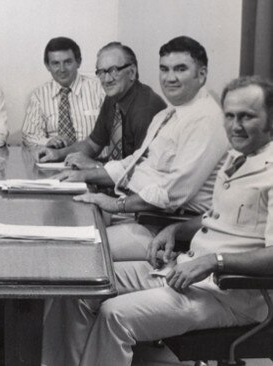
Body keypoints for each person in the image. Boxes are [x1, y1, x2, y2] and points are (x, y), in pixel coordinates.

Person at [55, 75, 273, 366]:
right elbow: (216, 219)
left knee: (115, 315)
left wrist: (214, 261)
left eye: (247, 116)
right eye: (230, 115)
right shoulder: (237, 158)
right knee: (75, 285)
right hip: (185, 271)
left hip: (230, 295)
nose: (235, 125)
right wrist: (175, 228)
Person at [52, 36, 230, 261]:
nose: (170, 78)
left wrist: (115, 205)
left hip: (163, 226)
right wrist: (83, 175)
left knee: (73, 255)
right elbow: (133, 162)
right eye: (164, 69)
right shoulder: (169, 114)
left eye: (180, 69)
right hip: (137, 211)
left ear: (201, 74)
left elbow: (171, 194)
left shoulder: (204, 119)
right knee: (62, 226)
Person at [36, 42, 167, 169]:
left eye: (114, 71)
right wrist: (57, 154)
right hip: (116, 181)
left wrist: (95, 166)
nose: (106, 79)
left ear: (132, 72)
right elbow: (92, 145)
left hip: (136, 186)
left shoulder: (145, 110)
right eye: (101, 72)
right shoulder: (113, 98)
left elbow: (142, 170)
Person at [21, 37, 105, 148]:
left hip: (92, 159)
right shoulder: (39, 96)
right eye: (55, 63)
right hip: (55, 160)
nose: (62, 69)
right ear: (47, 66)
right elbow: (29, 136)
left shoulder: (99, 89)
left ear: (78, 62)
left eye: (68, 62)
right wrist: (47, 142)